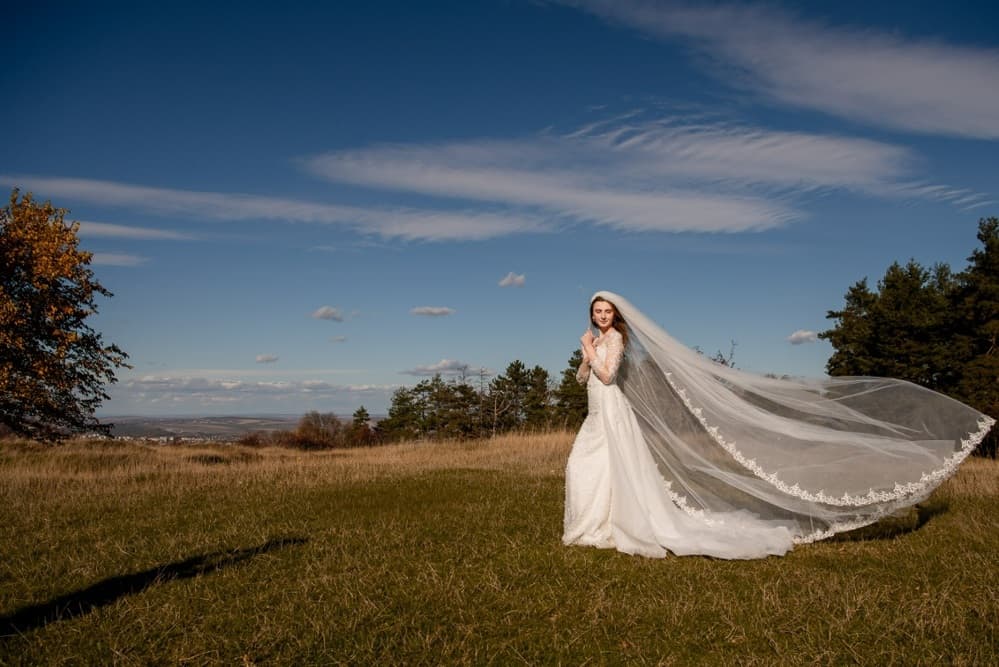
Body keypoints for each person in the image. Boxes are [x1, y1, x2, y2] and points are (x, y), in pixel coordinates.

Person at [563, 292, 995, 559]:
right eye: (596, 312)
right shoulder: (599, 342)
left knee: (602, 467)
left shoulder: (615, 339)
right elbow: (586, 378)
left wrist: (591, 348)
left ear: (614, 316)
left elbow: (607, 377)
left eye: (606, 312)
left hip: (613, 413)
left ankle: (609, 525)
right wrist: (586, 354)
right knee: (590, 468)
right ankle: (594, 523)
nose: (601, 317)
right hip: (596, 413)